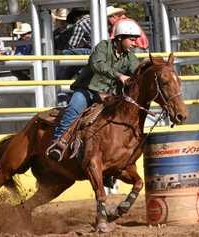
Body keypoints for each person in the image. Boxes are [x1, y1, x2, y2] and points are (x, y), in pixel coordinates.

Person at [47, 19, 142, 161]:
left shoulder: (130, 58)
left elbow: (137, 71)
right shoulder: (103, 47)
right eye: (132, 40)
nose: (135, 44)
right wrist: (119, 75)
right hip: (87, 91)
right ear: (120, 38)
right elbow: (97, 65)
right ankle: (57, 142)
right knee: (74, 108)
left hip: (108, 96)